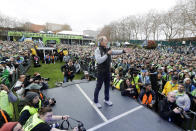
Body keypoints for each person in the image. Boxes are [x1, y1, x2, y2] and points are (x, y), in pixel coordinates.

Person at [93, 36, 129, 108]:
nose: (107, 41)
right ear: (101, 42)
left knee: (107, 86)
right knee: (98, 87)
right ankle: (95, 101)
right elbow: (99, 61)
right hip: (101, 72)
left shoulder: (107, 48)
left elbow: (114, 52)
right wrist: (107, 54)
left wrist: (123, 51)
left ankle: (106, 99)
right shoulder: (97, 50)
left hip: (107, 71)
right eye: (105, 40)